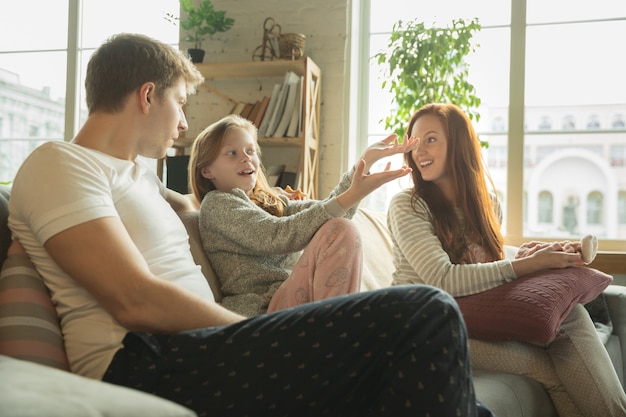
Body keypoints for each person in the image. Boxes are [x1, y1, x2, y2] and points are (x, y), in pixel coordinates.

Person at [7, 34, 493, 417]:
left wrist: (350, 182)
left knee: (449, 389)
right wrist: (259, 331)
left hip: (205, 348)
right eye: (180, 104)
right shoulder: (62, 164)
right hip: (149, 360)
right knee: (428, 309)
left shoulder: (141, 179)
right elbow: (133, 299)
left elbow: (261, 214)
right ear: (147, 95)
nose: (182, 126)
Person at [387, 102, 626, 417]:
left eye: (430, 139)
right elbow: (441, 278)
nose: (419, 150)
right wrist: (528, 265)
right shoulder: (407, 205)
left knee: (570, 314)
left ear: (458, 144)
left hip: (472, 315)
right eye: (415, 141)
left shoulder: (487, 205)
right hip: (426, 326)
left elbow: (488, 268)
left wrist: (539, 257)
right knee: (548, 369)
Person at [188, 114, 417, 316]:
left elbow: (326, 212)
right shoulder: (217, 205)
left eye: (250, 151)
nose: (246, 158)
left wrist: (364, 164)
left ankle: (339, 323)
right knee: (341, 230)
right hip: (265, 307)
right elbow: (277, 235)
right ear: (207, 170)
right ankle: (337, 327)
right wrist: (353, 194)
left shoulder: (270, 201)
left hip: (293, 297)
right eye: (232, 153)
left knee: (339, 228)